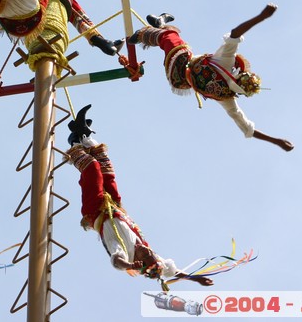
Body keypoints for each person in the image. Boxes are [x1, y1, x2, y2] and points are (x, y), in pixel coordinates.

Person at [63, 104, 214, 287]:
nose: (147, 250)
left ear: (140, 261)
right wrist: (195, 278)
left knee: (92, 169)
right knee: (107, 171)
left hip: (96, 210)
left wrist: (129, 265)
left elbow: (116, 261)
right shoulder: (150, 254)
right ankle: (84, 136)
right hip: (114, 206)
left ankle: (75, 142)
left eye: (146, 255)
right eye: (151, 254)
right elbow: (171, 271)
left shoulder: (124, 252)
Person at [128, 4, 293, 152]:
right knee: (170, 38)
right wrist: (261, 16)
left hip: (181, 77)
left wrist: (276, 141)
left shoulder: (227, 96)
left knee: (170, 39)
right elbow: (235, 35)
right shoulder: (227, 64)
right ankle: (157, 26)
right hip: (186, 64)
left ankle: (149, 31)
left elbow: (246, 127)